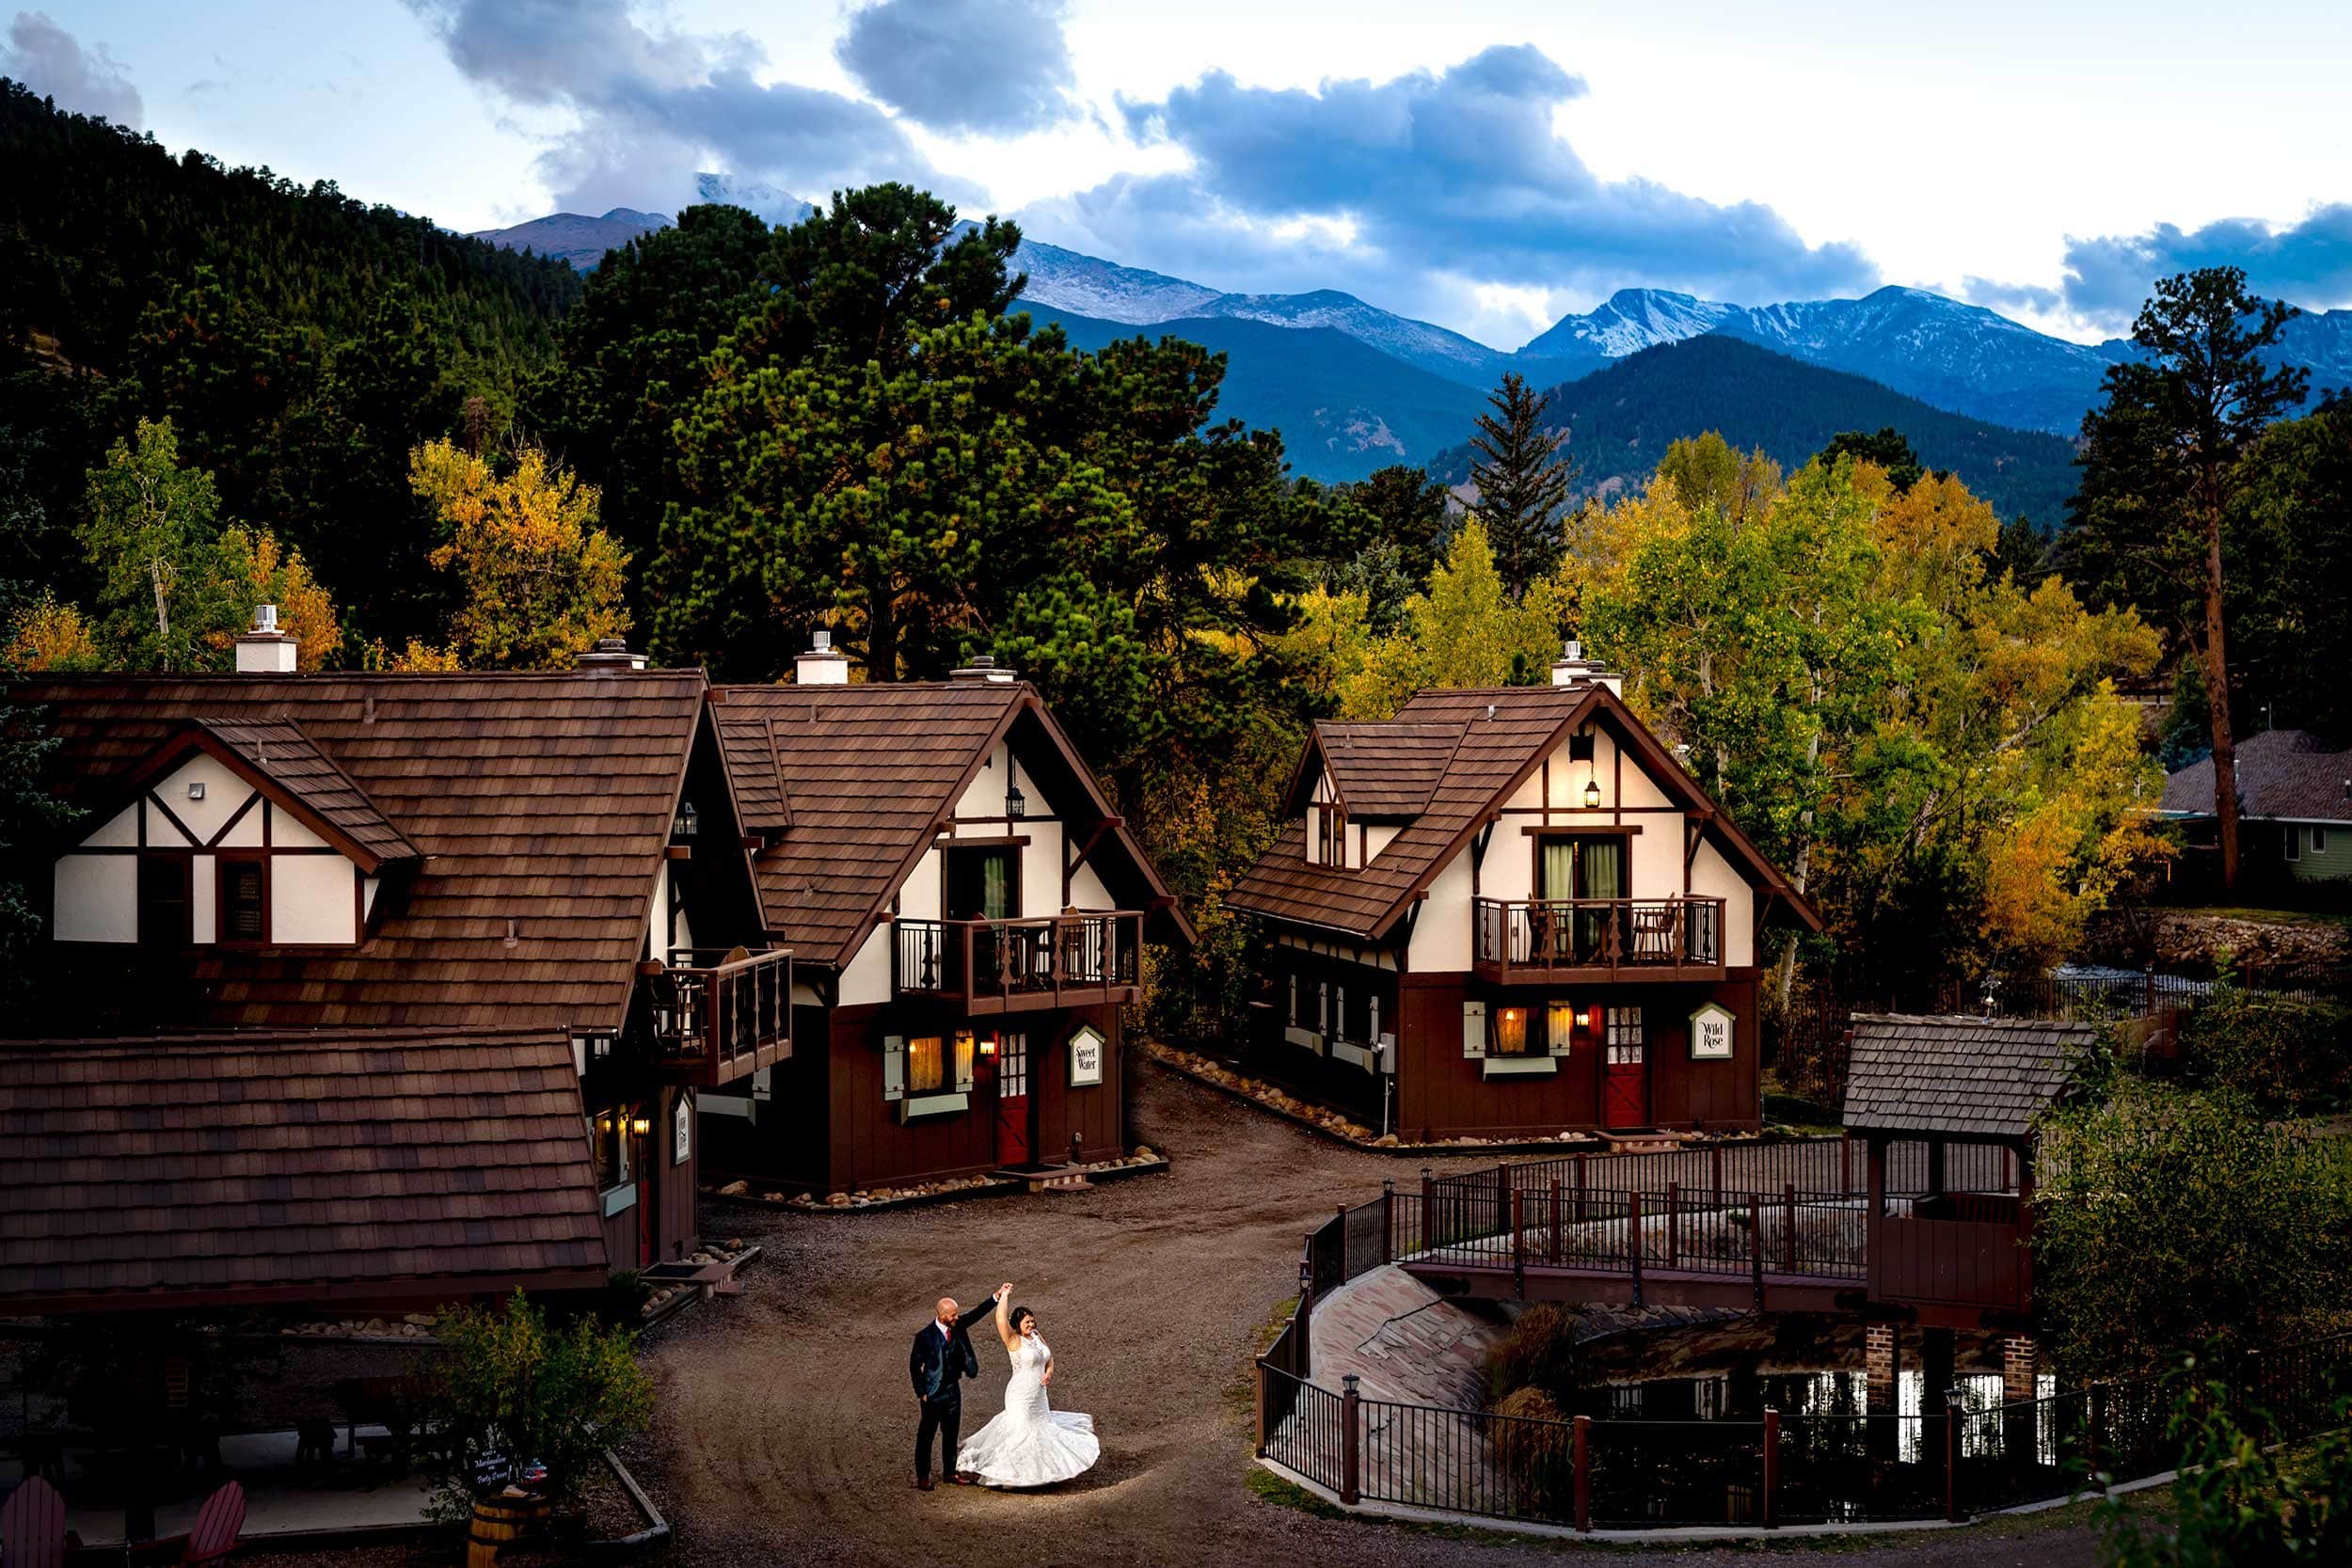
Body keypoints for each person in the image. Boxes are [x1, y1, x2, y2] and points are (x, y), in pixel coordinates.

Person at [954, 1285, 1099, 1488]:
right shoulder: (1013, 1340)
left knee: (1041, 1429)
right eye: (1027, 1322)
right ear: (1018, 1324)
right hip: (1020, 1395)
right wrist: (1003, 1295)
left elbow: (1049, 1358)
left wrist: (1049, 1372)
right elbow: (1000, 1319)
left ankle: (1040, 1473)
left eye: (1032, 1321)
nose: (1031, 1324)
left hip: (1039, 1395)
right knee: (1020, 1431)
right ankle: (1009, 1476)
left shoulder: (1037, 1336)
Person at [910, 1283, 1007, 1489]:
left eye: (957, 1314)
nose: (956, 1318)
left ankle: (950, 1472)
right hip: (933, 1394)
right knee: (926, 1436)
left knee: (951, 1432)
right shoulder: (924, 1337)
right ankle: (923, 1476)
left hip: (953, 1390)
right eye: (952, 1315)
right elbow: (914, 1366)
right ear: (941, 1315)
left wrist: (996, 1297)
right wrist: (922, 1392)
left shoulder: (958, 1325)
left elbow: (975, 1314)